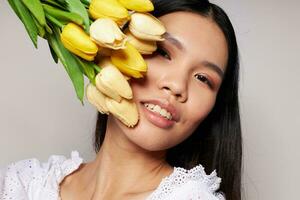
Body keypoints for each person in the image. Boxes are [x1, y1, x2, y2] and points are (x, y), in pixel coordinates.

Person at [0, 0, 242, 199]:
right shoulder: (24, 184)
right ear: (115, 45)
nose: (177, 86)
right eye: (162, 52)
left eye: (203, 78)